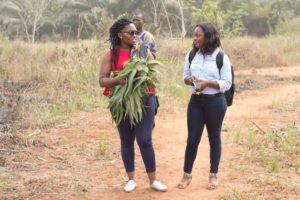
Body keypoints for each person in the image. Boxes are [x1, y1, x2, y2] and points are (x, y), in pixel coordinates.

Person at [99, 18, 167, 193]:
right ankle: (131, 179)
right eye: (131, 32)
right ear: (120, 35)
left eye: (136, 32)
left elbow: (150, 69)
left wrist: (141, 50)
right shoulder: (110, 55)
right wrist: (118, 80)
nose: (135, 35)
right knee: (126, 139)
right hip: (121, 102)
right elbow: (102, 81)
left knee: (144, 139)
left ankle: (153, 180)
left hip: (145, 98)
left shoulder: (142, 49)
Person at [178, 22, 232, 190]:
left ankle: (213, 175)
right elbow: (184, 77)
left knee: (214, 138)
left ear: (208, 37)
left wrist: (208, 83)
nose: (195, 39)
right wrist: (190, 80)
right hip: (196, 102)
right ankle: (187, 174)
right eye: (194, 35)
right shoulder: (192, 54)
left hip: (215, 102)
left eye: (198, 35)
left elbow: (227, 83)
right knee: (192, 139)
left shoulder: (221, 57)